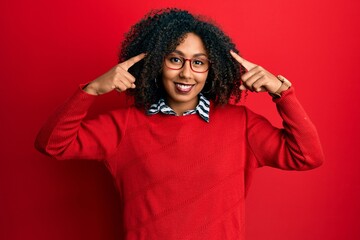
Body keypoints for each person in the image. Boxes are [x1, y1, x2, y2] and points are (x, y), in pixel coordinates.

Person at [35, 8, 324, 240]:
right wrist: (91, 91)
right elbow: (52, 145)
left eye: (199, 62)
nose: (187, 73)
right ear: (155, 63)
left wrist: (282, 93)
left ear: (213, 69)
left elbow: (306, 156)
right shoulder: (123, 126)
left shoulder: (241, 124)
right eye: (175, 59)